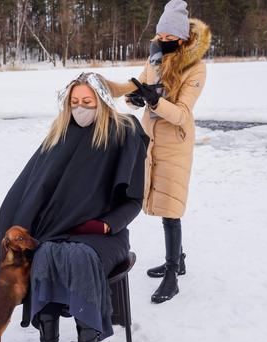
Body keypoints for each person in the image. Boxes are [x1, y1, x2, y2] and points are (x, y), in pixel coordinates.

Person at [0, 72, 148, 342]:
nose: (80, 108)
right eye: (74, 102)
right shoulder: (60, 134)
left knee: (79, 257)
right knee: (44, 253)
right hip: (57, 229)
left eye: (87, 101)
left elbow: (134, 201)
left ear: (101, 100)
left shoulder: (124, 132)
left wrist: (104, 225)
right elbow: (33, 187)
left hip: (103, 235)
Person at [105, 0, 211, 303]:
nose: (162, 41)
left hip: (175, 143)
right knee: (157, 201)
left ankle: (172, 273)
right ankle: (176, 259)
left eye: (169, 37)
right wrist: (129, 97)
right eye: (159, 35)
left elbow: (181, 114)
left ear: (182, 37)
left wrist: (154, 102)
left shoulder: (196, 68)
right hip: (149, 140)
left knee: (171, 208)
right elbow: (134, 86)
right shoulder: (153, 60)